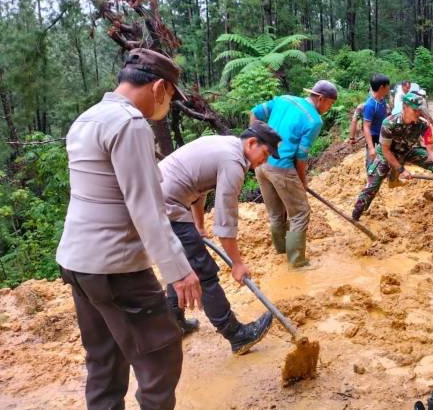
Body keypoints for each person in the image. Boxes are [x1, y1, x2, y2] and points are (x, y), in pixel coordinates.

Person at [56, 48, 203, 410]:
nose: (167, 103)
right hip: (116, 267)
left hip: (78, 262)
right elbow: (146, 208)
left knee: (104, 360)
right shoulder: (130, 123)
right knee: (161, 355)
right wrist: (179, 271)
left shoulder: (87, 118)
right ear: (159, 87)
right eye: (170, 95)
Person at [158, 122, 282, 353]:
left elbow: (199, 188)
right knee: (203, 272)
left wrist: (198, 226)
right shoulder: (234, 162)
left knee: (181, 261)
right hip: (167, 207)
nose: (264, 161)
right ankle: (237, 335)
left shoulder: (225, 146)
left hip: (161, 202)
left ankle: (174, 323)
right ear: (252, 143)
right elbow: (226, 218)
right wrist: (237, 263)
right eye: (265, 154)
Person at [250, 80, 338, 268]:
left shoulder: (284, 99)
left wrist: (256, 143)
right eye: (330, 104)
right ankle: (297, 262)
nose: (329, 108)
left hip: (261, 163)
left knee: (275, 213)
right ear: (320, 98)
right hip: (281, 167)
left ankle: (282, 251)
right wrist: (301, 181)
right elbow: (300, 156)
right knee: (300, 213)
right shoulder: (314, 120)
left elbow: (255, 112)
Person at [351, 92, 433, 221]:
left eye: (420, 110)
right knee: (373, 183)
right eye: (415, 110)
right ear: (405, 107)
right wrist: (401, 170)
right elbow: (386, 150)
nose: (418, 113)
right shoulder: (389, 123)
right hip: (387, 154)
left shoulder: (423, 125)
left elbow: (432, 149)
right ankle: (356, 213)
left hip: (407, 151)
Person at [363, 74, 391, 172]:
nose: (389, 88)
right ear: (381, 87)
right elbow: (366, 127)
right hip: (373, 136)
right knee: (371, 160)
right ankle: (370, 179)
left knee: (387, 156)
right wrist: (371, 147)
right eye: (387, 85)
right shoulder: (370, 105)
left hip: (382, 134)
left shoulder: (382, 100)